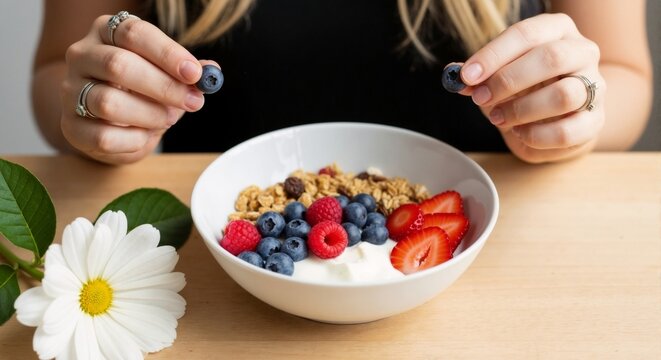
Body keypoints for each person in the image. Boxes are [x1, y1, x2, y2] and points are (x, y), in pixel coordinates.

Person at [32, 0, 653, 165]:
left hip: (488, 252)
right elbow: (55, 76)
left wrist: (574, 110)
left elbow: (624, 76)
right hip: (219, 272)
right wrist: (101, 107)